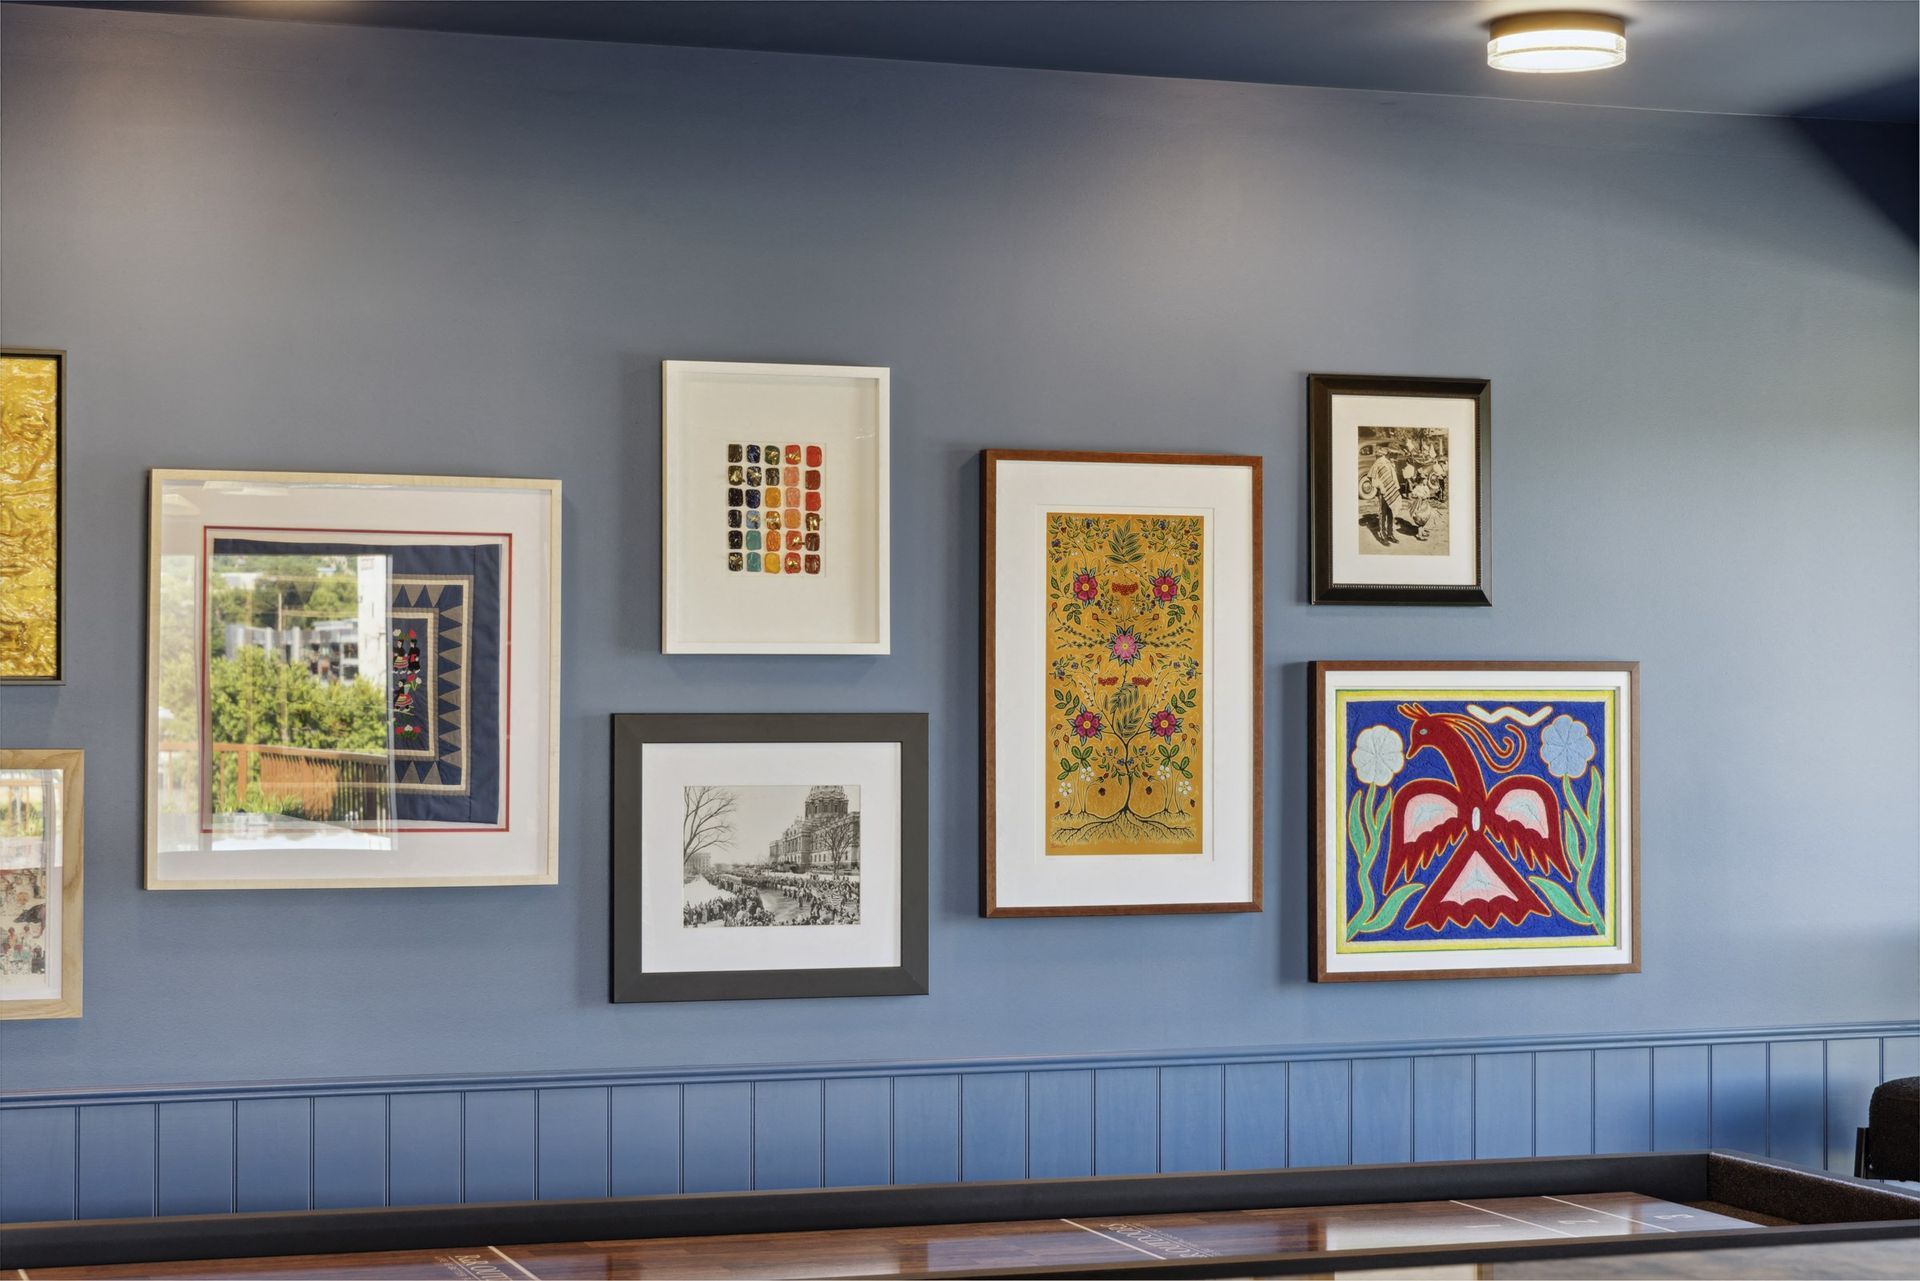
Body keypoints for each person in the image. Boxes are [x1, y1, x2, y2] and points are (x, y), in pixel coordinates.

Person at [1366, 450, 1402, 546]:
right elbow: (1372, 477)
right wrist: (1380, 486)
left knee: (1391, 513)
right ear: (1389, 453)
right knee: (1383, 513)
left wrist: (1396, 489)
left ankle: (1390, 534)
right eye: (1395, 455)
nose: (1396, 457)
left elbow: (1394, 477)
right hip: (1383, 492)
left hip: (1392, 491)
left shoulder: (1391, 463)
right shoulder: (1379, 462)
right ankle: (1383, 536)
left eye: (1397, 455)